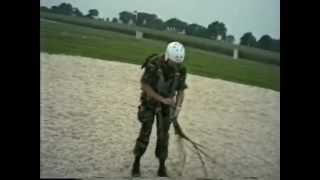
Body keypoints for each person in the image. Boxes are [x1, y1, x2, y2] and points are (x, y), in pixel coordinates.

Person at [131, 41, 188, 177]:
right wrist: (162, 99)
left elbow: (180, 90)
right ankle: (136, 162)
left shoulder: (181, 69)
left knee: (163, 136)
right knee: (145, 133)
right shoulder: (154, 64)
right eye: (174, 63)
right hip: (150, 103)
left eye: (178, 63)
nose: (177, 66)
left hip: (166, 106)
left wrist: (178, 107)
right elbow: (144, 85)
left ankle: (162, 166)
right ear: (167, 57)